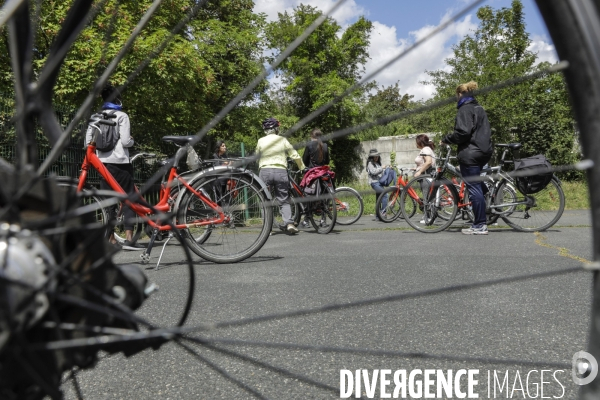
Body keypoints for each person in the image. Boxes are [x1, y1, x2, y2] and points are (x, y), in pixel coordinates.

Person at [86, 84, 144, 250]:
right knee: (128, 199)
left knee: (108, 201)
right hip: (121, 163)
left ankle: (111, 239)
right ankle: (129, 239)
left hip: (102, 164)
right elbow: (126, 141)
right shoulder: (122, 116)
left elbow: (87, 141)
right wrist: (132, 141)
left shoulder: (95, 116)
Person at [441, 81, 493, 235]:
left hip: (471, 153)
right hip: (484, 151)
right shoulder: (479, 108)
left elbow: (462, 133)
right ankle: (490, 198)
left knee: (473, 187)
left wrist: (447, 139)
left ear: (459, 94)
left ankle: (480, 225)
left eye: (456, 96)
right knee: (477, 185)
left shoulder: (464, 109)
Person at [256, 117, 306, 234]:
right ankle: (289, 224)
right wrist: (302, 167)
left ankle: (267, 228)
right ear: (276, 129)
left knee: (264, 199)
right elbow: (294, 154)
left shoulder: (260, 141)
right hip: (280, 171)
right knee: (283, 199)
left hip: (265, 171)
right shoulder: (282, 140)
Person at [412, 134, 437, 224]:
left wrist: (419, 172)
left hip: (427, 175)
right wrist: (417, 169)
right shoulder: (426, 149)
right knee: (427, 196)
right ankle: (428, 216)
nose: (415, 143)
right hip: (426, 175)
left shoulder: (425, 149)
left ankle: (428, 218)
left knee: (426, 197)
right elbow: (424, 162)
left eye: (416, 142)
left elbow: (428, 162)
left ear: (420, 142)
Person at [366, 148, 388, 221]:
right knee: (385, 195)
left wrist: (386, 169)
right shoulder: (370, 164)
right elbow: (373, 172)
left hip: (379, 183)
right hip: (374, 183)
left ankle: (378, 216)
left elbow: (380, 173)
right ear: (371, 157)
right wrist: (382, 168)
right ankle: (383, 212)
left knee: (378, 199)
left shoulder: (378, 163)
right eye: (374, 156)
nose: (376, 157)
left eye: (377, 156)